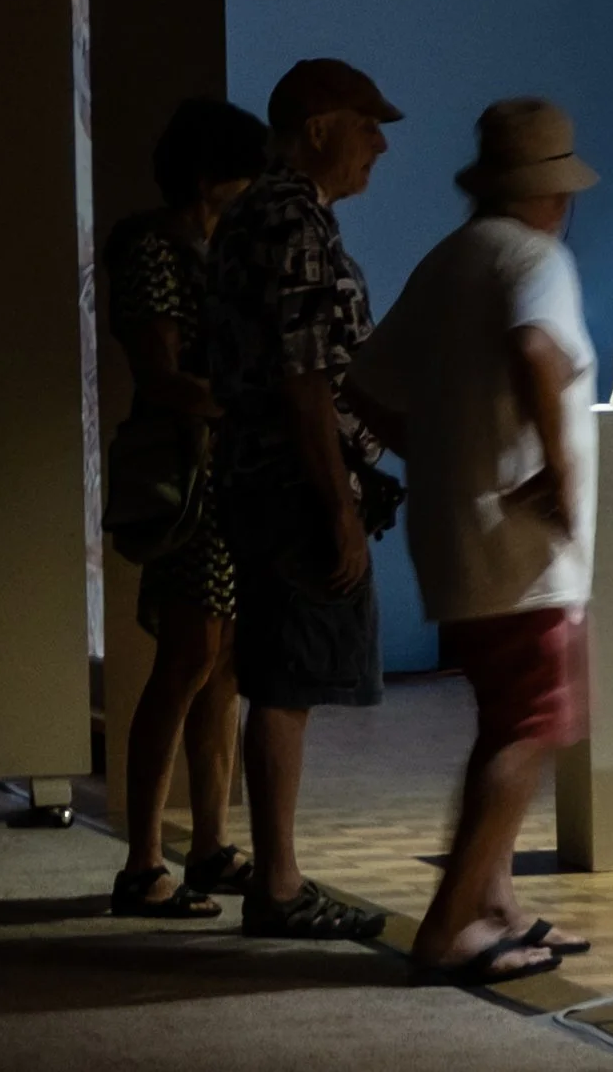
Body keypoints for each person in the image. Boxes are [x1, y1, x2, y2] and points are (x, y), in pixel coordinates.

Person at [347, 97, 599, 984]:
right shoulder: (535, 257)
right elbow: (537, 348)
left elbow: (364, 383)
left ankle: (497, 903)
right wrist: (557, 469)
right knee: (530, 724)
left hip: (454, 530)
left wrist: (443, 456)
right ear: (552, 191)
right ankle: (450, 923)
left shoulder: (450, 257)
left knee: (507, 716)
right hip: (524, 545)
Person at [204, 58, 404, 941]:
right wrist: (337, 505)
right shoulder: (291, 218)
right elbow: (305, 378)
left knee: (281, 678)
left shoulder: (267, 214)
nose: (380, 145)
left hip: (269, 480)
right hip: (291, 488)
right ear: (319, 127)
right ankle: (279, 885)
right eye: (367, 124)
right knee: (285, 681)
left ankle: (279, 877)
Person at [104, 99, 268, 918]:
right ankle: (142, 859)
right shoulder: (152, 248)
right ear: (210, 177)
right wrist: (245, 402)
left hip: (218, 472)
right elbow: (159, 374)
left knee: (222, 659)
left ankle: (208, 843)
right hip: (188, 477)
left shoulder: (206, 248)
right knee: (188, 656)